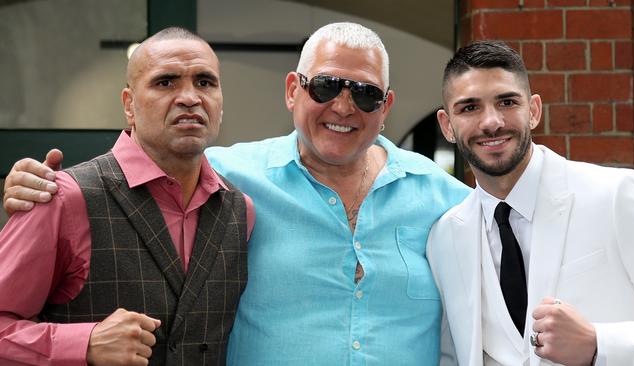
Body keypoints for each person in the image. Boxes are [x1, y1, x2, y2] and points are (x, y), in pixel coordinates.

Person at [3, 22, 470, 365]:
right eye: (326, 86)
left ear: (385, 106)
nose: (343, 106)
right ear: (293, 90)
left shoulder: (447, 199)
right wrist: (40, 189)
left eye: (365, 94)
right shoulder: (226, 179)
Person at [0, 27, 254, 365]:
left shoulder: (241, 211)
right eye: (166, 82)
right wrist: (83, 344)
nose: (190, 97)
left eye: (205, 82)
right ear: (129, 105)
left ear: (220, 104)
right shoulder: (64, 198)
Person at [427, 40, 634, 366]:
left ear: (533, 111)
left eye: (506, 102)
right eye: (470, 107)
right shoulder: (444, 237)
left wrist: (599, 344)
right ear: (448, 125)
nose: (491, 122)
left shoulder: (616, 195)